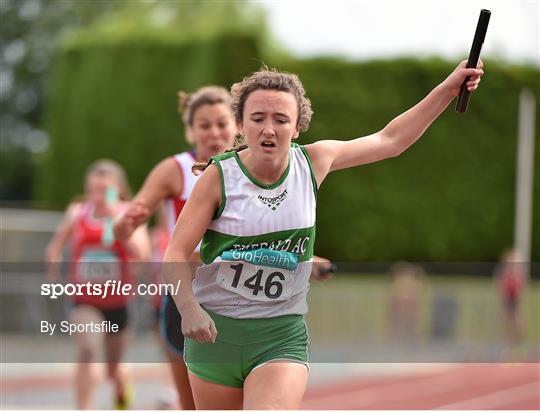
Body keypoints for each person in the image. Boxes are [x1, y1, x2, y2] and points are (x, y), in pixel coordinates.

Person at [163, 59, 485, 409]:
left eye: (281, 120)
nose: (269, 130)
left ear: (298, 126)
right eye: (258, 119)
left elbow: (390, 140)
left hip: (279, 335)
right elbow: (176, 252)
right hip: (217, 336)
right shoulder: (218, 177)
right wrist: (189, 309)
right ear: (240, 124)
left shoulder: (313, 162)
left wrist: (448, 89)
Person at [114, 86, 238, 409]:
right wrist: (125, 225)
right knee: (192, 402)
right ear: (190, 130)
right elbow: (130, 216)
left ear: (237, 124)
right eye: (205, 125)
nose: (214, 132)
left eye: (222, 123)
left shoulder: (251, 169)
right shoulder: (175, 170)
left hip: (240, 295)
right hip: (187, 295)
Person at [45, 159, 150, 410]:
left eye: (105, 190)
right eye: (94, 190)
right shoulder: (77, 212)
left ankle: (121, 379)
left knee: (112, 370)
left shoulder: (129, 213)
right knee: (89, 348)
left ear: (117, 189)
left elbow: (142, 253)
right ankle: (83, 407)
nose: (99, 196)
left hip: (119, 301)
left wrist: (118, 221)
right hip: (85, 300)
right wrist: (53, 262)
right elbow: (55, 245)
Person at [494, 248, 527, 346]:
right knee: (506, 317)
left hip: (513, 296)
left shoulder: (515, 271)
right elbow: (500, 282)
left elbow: (519, 284)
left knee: (515, 316)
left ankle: (518, 337)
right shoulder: (505, 271)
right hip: (508, 296)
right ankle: (506, 337)